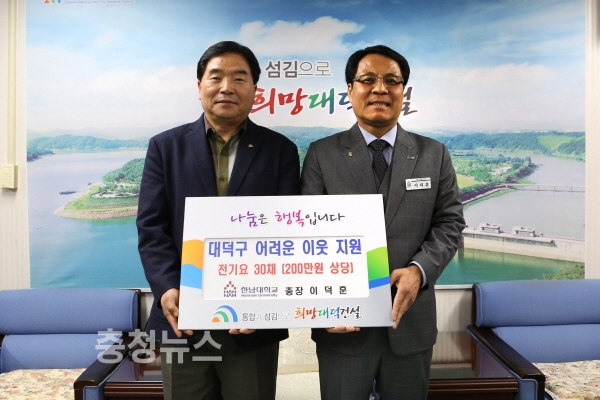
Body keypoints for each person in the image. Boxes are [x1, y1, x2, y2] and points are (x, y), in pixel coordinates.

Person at [137, 41, 301, 400]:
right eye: (216, 77)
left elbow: (287, 236)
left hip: (252, 324)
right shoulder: (165, 147)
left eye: (239, 78)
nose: (227, 87)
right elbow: (151, 228)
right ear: (200, 86)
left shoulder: (281, 151)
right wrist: (167, 287)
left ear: (255, 89)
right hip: (183, 319)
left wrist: (262, 302)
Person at [301, 45, 465, 400]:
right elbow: (307, 234)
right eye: (368, 80)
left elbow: (450, 222)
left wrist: (419, 270)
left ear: (403, 91)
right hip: (343, 323)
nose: (380, 88)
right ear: (350, 90)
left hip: (410, 322)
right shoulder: (321, 153)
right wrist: (326, 304)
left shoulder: (433, 154)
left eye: (392, 80)